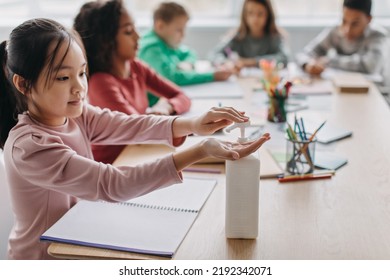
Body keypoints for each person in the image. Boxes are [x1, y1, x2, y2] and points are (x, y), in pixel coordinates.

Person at [0, 18, 270, 259]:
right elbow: (112, 183)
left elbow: (130, 125)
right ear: (23, 84)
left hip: (77, 238)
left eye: (82, 73)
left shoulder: (75, 115)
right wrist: (199, 151)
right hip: (44, 260)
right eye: (63, 77)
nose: (79, 87)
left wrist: (194, 124)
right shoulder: (30, 146)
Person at [73, 0, 194, 164]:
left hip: (140, 156)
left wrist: (166, 105)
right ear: (106, 41)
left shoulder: (136, 67)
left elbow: (181, 96)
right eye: (128, 31)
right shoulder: (101, 83)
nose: (138, 36)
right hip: (115, 166)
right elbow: (140, 131)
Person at [138, 1, 234, 92]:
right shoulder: (150, 48)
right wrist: (212, 76)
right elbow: (171, 78)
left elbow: (190, 53)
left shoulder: (165, 42)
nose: (183, 35)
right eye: (179, 30)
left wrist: (187, 64)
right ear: (160, 26)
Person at [296, 0, 388, 78]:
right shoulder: (335, 30)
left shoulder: (378, 35)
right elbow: (304, 53)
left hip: (373, 92)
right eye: (344, 21)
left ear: (369, 19)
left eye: (355, 24)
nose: (347, 30)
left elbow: (370, 65)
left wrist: (330, 61)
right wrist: (307, 64)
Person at [212, 0, 289, 69]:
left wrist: (250, 62)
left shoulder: (274, 36)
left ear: (268, 15)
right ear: (244, 15)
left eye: (260, 14)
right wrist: (226, 63)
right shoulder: (238, 36)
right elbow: (214, 54)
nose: (255, 19)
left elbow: (284, 58)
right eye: (250, 13)